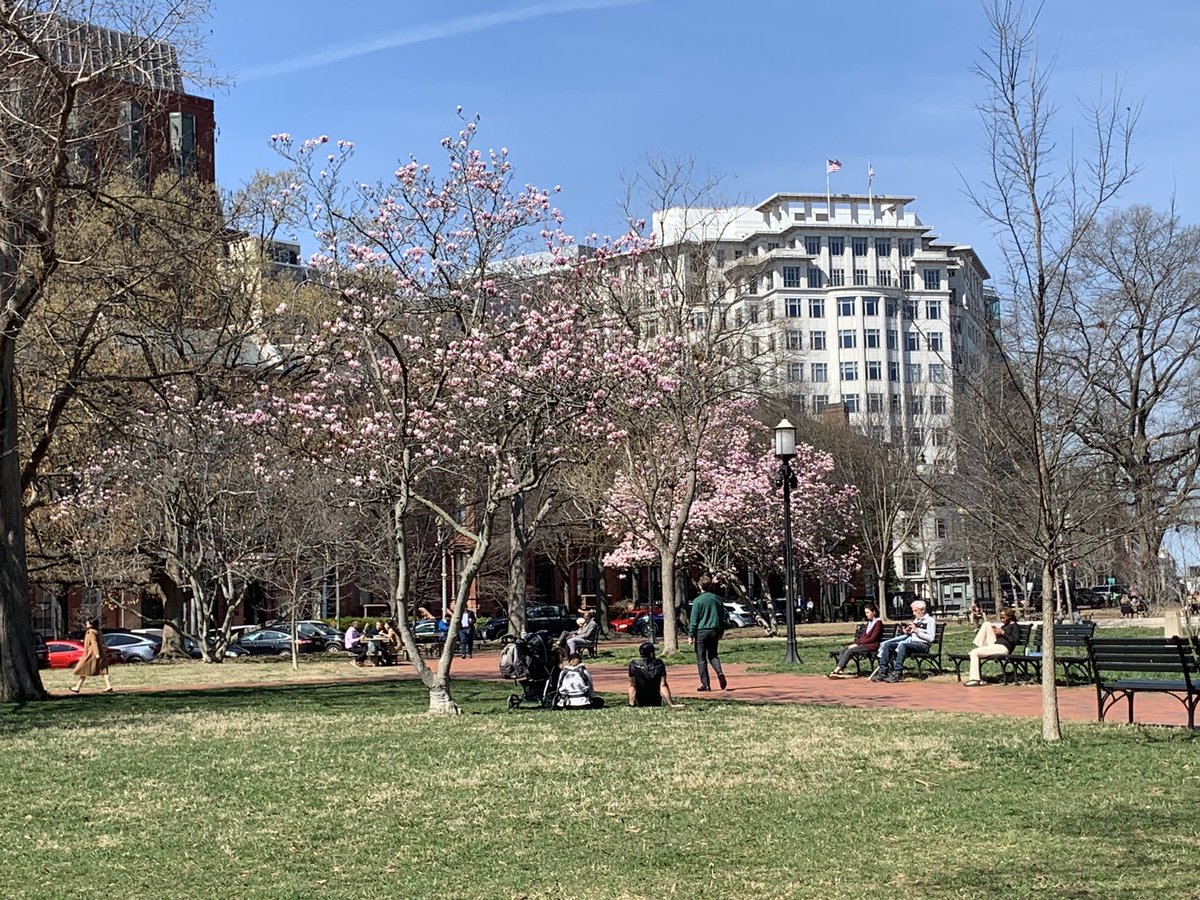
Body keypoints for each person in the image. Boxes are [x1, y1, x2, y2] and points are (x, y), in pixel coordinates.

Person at [871, 600, 936, 683]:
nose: (914, 613)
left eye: (916, 611)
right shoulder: (916, 620)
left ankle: (898, 673)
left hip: (923, 645)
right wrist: (907, 631)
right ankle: (883, 671)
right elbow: (912, 635)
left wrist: (917, 631)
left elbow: (931, 638)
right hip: (911, 643)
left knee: (903, 645)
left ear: (923, 610)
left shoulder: (930, 620)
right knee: (888, 645)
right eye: (913, 611)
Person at [688, 574, 727, 691]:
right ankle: (719, 672)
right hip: (714, 631)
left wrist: (690, 635)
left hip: (701, 632)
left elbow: (694, 620)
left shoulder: (698, 601)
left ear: (700, 586)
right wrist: (721, 632)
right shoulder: (717, 599)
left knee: (701, 658)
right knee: (713, 655)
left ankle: (706, 684)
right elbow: (722, 617)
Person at [964, 607, 1020, 686]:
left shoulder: (1015, 626)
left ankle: (975, 679)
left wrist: (1003, 633)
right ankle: (979, 645)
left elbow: (1015, 640)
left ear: (1009, 617)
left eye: (1003, 618)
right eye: (1001, 618)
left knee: (974, 653)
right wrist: (996, 633)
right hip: (996, 646)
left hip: (1003, 648)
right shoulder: (1004, 626)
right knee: (987, 624)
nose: (1002, 620)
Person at [828, 603, 883, 678]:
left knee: (850, 651)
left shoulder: (878, 623)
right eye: (865, 613)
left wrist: (858, 644)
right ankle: (841, 670)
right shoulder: (869, 623)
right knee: (844, 650)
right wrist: (855, 643)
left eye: (868, 612)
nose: (866, 615)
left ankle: (836, 670)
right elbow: (863, 637)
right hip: (864, 644)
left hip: (872, 645)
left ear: (874, 612)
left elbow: (873, 638)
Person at [627, 641, 682, 708]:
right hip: (656, 701)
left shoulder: (633, 664)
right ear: (651, 653)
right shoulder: (659, 664)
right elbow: (663, 685)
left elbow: (632, 686)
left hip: (640, 701)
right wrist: (671, 704)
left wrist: (631, 704)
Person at [70, 619, 112, 694]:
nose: (86, 623)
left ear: (91, 624)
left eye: (88, 622)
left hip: (91, 654)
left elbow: (94, 643)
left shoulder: (91, 632)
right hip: (99, 653)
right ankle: (108, 686)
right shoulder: (98, 631)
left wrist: (96, 654)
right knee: (103, 670)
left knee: (82, 668)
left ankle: (77, 687)